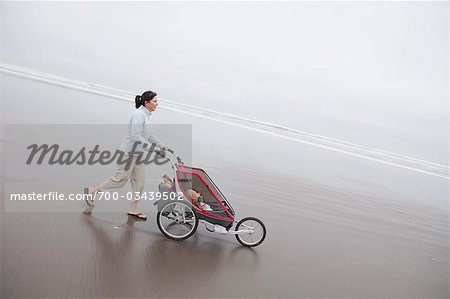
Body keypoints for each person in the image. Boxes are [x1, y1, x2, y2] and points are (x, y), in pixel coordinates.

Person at [84, 90, 166, 220]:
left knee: (139, 182)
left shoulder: (147, 115)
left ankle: (133, 209)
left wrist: (160, 144)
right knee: (120, 180)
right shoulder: (138, 115)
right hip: (128, 153)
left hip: (140, 154)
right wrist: (153, 149)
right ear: (146, 102)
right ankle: (93, 191)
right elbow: (136, 136)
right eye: (155, 101)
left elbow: (149, 135)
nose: (157, 104)